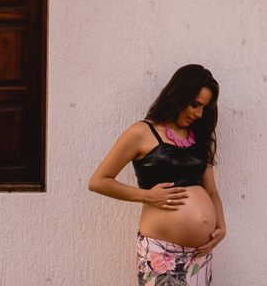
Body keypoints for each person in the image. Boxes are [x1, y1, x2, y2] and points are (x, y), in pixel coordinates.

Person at [90, 64, 226, 285]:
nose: (199, 113)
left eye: (204, 107)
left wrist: (221, 227)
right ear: (178, 95)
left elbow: (211, 191)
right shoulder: (141, 132)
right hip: (161, 252)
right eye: (194, 105)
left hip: (199, 254)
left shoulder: (199, 137)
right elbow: (98, 182)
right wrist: (146, 196)